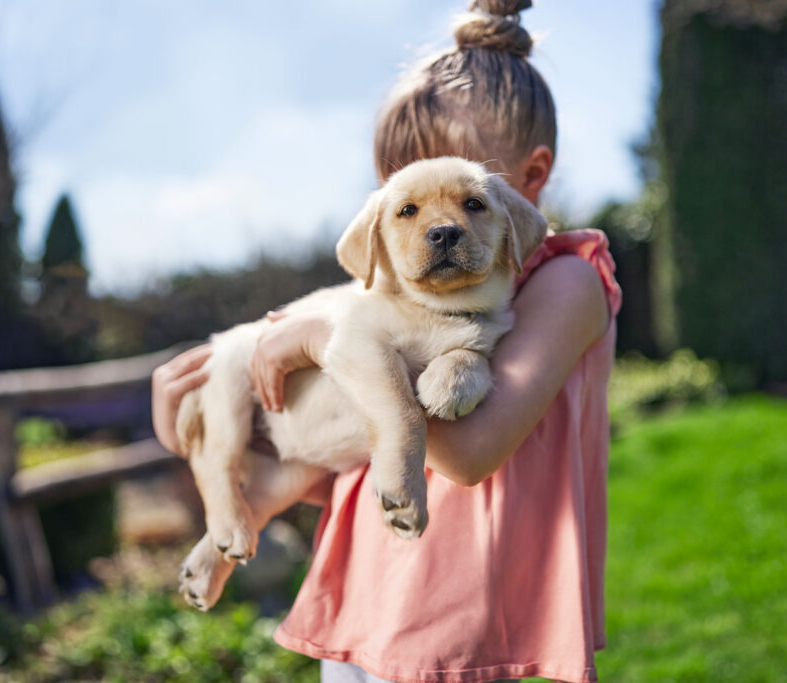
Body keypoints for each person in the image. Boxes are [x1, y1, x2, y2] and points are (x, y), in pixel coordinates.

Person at [152, 2, 621, 681]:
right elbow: (336, 456)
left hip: (479, 622)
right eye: (404, 202)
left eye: (464, 195)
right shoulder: (397, 305)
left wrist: (324, 339)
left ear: (531, 178)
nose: (438, 226)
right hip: (368, 607)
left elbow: (465, 454)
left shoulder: (568, 282)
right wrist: (202, 439)